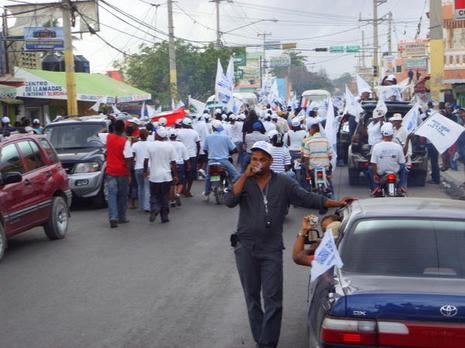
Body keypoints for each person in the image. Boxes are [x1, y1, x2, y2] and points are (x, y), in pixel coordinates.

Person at [225, 141, 355, 348]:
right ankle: (261, 338)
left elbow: (308, 198)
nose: (257, 163)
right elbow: (230, 200)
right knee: (252, 297)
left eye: (262, 160)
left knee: (273, 299)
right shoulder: (245, 182)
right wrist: (244, 175)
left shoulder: (283, 183)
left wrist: (336, 203)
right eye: (254, 159)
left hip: (271, 249)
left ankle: (267, 343)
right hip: (245, 248)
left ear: (270, 162)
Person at [144, 127, 178, 224]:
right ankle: (164, 216)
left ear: (157, 135)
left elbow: (146, 160)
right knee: (165, 196)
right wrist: (175, 175)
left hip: (154, 176)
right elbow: (174, 162)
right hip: (166, 176)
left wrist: (145, 171)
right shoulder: (170, 146)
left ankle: (155, 208)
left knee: (154, 195)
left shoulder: (150, 146)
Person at [104, 119, 133, 228]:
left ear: (114, 128)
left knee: (111, 195)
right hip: (122, 172)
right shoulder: (125, 142)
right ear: (123, 129)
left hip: (110, 171)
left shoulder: (108, 137)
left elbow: (97, 134)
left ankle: (113, 217)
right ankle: (122, 217)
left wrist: (112, 121)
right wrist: (129, 174)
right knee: (122, 195)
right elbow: (128, 159)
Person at [202, 120, 240, 201]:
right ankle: (230, 188)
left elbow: (205, 149)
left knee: (208, 177)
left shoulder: (208, 137)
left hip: (211, 161)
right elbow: (234, 149)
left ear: (212, 128)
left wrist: (210, 153)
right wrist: (230, 152)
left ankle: (206, 193)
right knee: (236, 175)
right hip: (224, 161)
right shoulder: (225, 137)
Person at [370, 122, 406, 194]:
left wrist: (375, 175)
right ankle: (402, 186)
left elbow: (373, 163)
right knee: (404, 168)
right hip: (395, 172)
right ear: (392, 135)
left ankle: (376, 187)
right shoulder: (398, 146)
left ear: (382, 134)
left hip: (381, 173)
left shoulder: (376, 146)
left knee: (369, 170)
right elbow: (402, 162)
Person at [302, 123, 332, 189]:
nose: (309, 131)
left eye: (310, 129)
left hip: (312, 168)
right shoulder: (326, 141)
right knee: (330, 184)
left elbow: (306, 159)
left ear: (314, 130)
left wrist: (307, 173)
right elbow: (330, 156)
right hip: (325, 167)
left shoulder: (308, 142)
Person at [176, 118, 200, 197]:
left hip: (182, 156)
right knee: (191, 175)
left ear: (183, 124)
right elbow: (198, 144)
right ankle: (188, 190)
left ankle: (182, 189)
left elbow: (177, 144)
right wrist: (197, 154)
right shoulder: (194, 132)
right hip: (192, 155)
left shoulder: (179, 132)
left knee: (183, 174)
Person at [168, 129, 189, 207]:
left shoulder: (166, 144)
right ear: (176, 136)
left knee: (171, 183)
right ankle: (177, 194)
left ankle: (172, 200)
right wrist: (188, 165)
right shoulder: (181, 144)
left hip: (169, 165)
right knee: (180, 182)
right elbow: (186, 156)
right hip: (179, 164)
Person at [132, 129, 150, 212]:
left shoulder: (135, 145)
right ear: (147, 136)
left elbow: (133, 156)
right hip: (148, 167)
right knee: (147, 187)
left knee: (140, 187)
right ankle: (147, 206)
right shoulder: (150, 144)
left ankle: (141, 206)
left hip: (138, 167)